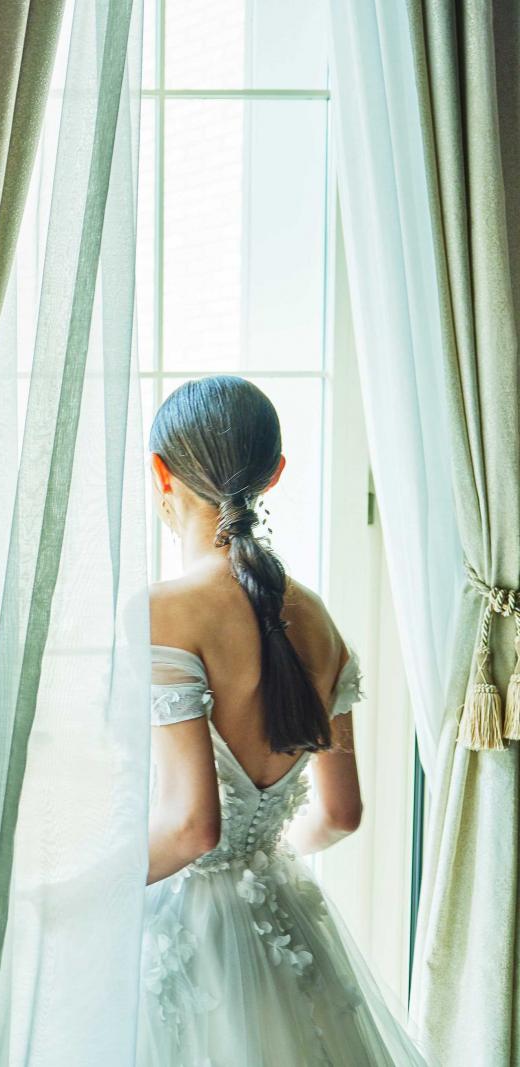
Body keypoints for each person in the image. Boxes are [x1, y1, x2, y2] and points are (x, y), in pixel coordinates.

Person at [138, 375, 431, 1065]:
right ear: (275, 474)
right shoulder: (318, 620)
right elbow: (341, 813)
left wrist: (76, 890)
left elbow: (192, 827)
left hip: (180, 935)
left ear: (161, 474)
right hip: (280, 922)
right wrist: (259, 861)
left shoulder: (162, 612)